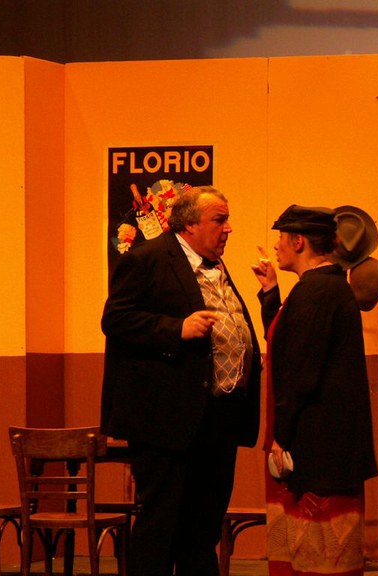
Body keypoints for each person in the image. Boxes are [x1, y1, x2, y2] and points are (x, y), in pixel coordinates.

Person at [100, 185, 261, 576]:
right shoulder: (148, 259)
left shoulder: (215, 265)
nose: (228, 229)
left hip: (217, 418)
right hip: (167, 421)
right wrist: (176, 328)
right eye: (219, 220)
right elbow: (115, 319)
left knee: (203, 527)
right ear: (189, 225)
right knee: (161, 523)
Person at [252, 204, 378, 576]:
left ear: (299, 242)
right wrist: (270, 292)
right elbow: (284, 342)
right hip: (323, 443)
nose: (276, 246)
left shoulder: (317, 292)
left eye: (281, 238)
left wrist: (282, 435)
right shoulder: (320, 287)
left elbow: (300, 372)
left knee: (317, 557)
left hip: (318, 446)